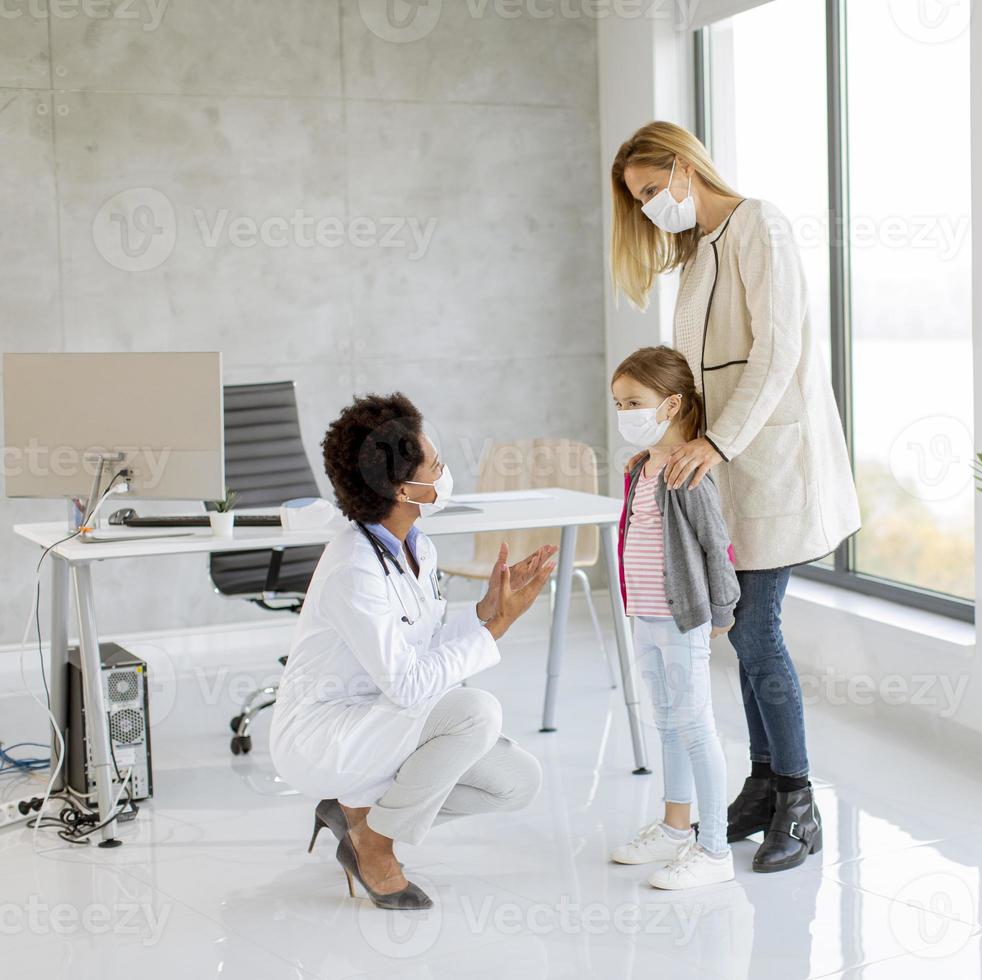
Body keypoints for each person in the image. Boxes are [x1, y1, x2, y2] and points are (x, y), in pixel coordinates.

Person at [610, 121, 861, 872]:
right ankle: (761, 785)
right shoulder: (694, 260)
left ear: (685, 167)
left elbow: (779, 348)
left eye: (654, 190)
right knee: (744, 627)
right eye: (640, 200)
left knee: (756, 632)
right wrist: (663, 441)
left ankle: (799, 801)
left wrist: (716, 443)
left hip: (773, 464)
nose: (653, 206)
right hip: (722, 474)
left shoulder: (762, 226)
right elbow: (689, 378)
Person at [269, 392, 555, 910]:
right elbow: (408, 684)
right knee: (474, 712)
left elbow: (420, 644)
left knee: (516, 783)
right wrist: (495, 631)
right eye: (437, 465)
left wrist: (485, 611)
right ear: (405, 489)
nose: (445, 473)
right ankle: (374, 844)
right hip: (324, 736)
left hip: (381, 720)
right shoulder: (354, 567)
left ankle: (359, 815)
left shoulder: (415, 544)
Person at [607, 346, 741, 890]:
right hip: (643, 614)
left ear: (672, 405)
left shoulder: (688, 473)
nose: (624, 413)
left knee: (695, 727)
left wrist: (723, 610)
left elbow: (718, 547)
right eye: (618, 403)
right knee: (665, 723)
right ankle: (674, 827)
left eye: (634, 402)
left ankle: (714, 851)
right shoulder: (641, 469)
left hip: (680, 618)